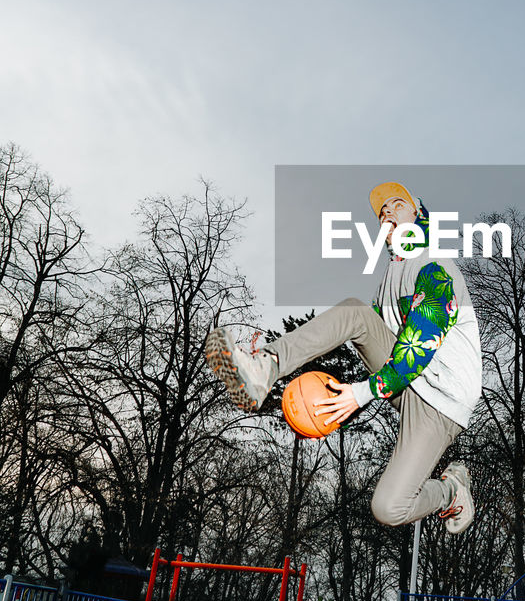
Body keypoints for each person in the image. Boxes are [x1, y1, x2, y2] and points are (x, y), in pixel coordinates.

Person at [205, 183, 482, 534]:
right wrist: (331, 409)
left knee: (388, 507)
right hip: (407, 382)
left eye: (398, 205)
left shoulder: (435, 266)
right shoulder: (389, 279)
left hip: (442, 403)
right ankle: (265, 367)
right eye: (382, 213)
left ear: (419, 215)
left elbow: (418, 345)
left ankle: (450, 490)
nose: (388, 214)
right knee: (356, 313)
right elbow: (382, 350)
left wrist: (362, 393)